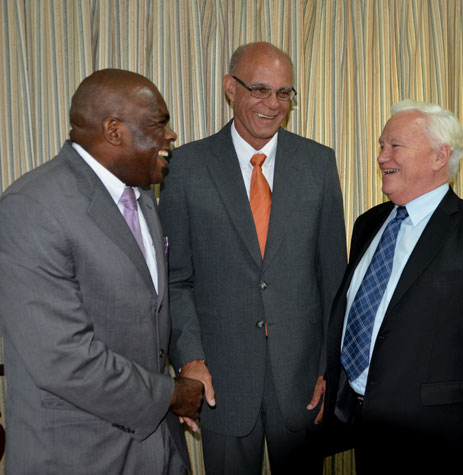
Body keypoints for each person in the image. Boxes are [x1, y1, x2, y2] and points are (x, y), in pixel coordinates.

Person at [0, 69, 204, 474]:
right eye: (158, 123)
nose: (171, 135)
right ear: (114, 131)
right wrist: (170, 396)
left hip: (158, 451)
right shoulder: (30, 208)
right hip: (79, 455)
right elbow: (64, 358)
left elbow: (149, 311)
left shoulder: (144, 198)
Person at [158, 42, 347, 474]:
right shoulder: (186, 166)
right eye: (260, 89)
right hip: (220, 383)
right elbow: (175, 279)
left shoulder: (318, 164)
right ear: (230, 88)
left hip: (302, 383)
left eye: (284, 93)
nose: (273, 104)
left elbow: (333, 278)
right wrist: (191, 359)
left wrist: (328, 371)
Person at [324, 100, 463, 474]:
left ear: (439, 156)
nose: (382, 156)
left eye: (395, 145)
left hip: (441, 445)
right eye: (381, 145)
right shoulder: (368, 224)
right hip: (366, 433)